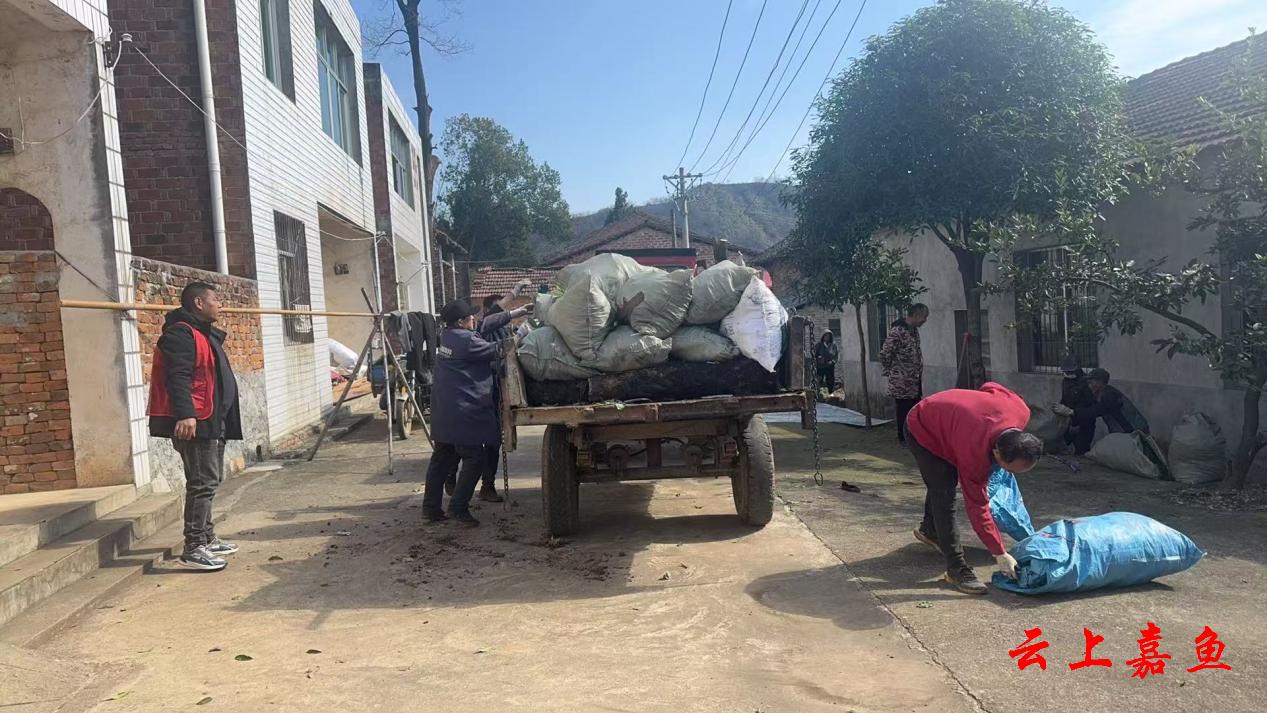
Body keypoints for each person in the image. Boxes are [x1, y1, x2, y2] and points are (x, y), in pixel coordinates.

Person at [905, 382, 1043, 594]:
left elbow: (990, 386)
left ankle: (930, 529)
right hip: (923, 426)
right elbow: (977, 507)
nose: (1009, 474)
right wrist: (999, 552)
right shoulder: (974, 457)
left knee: (940, 482)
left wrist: (975, 408)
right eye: (1008, 469)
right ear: (996, 453)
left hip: (954, 423)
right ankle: (956, 569)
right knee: (944, 490)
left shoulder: (1020, 410)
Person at [148, 282, 242, 571]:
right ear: (199, 303)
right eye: (216, 299)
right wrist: (186, 415)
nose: (220, 304)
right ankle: (194, 546)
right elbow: (177, 377)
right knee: (201, 483)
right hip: (196, 421)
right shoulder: (180, 334)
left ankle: (207, 538)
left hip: (213, 419)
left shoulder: (203, 332)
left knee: (210, 481)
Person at [424, 299, 529, 526]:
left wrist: (514, 313)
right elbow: (500, 349)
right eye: (470, 317)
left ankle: (430, 509)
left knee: (441, 460)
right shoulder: (467, 341)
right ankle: (458, 507)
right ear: (461, 322)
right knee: (474, 459)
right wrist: (523, 333)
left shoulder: (447, 336)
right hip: (462, 411)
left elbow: (485, 324)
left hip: (444, 410)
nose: (474, 319)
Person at [879, 303, 929, 445]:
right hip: (901, 380)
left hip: (914, 380)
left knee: (914, 408)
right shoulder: (898, 331)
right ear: (916, 315)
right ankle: (903, 437)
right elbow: (885, 354)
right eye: (924, 317)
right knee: (903, 409)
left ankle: (912, 436)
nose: (925, 320)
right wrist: (894, 370)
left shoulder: (913, 331)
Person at [1075, 368, 1150, 440]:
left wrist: (1073, 412)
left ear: (1100, 382)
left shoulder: (1108, 395)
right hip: (1130, 431)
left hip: (1136, 431)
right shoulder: (1103, 392)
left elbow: (1095, 411)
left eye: (1091, 382)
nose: (1089, 386)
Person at [1058, 356, 1097, 455]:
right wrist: (1060, 408)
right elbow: (1065, 398)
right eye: (1066, 372)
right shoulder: (1065, 381)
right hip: (1069, 420)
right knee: (1064, 447)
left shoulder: (1086, 383)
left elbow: (1091, 407)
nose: (1068, 374)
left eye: (1070, 372)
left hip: (1084, 423)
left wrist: (1077, 419)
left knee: (1081, 449)